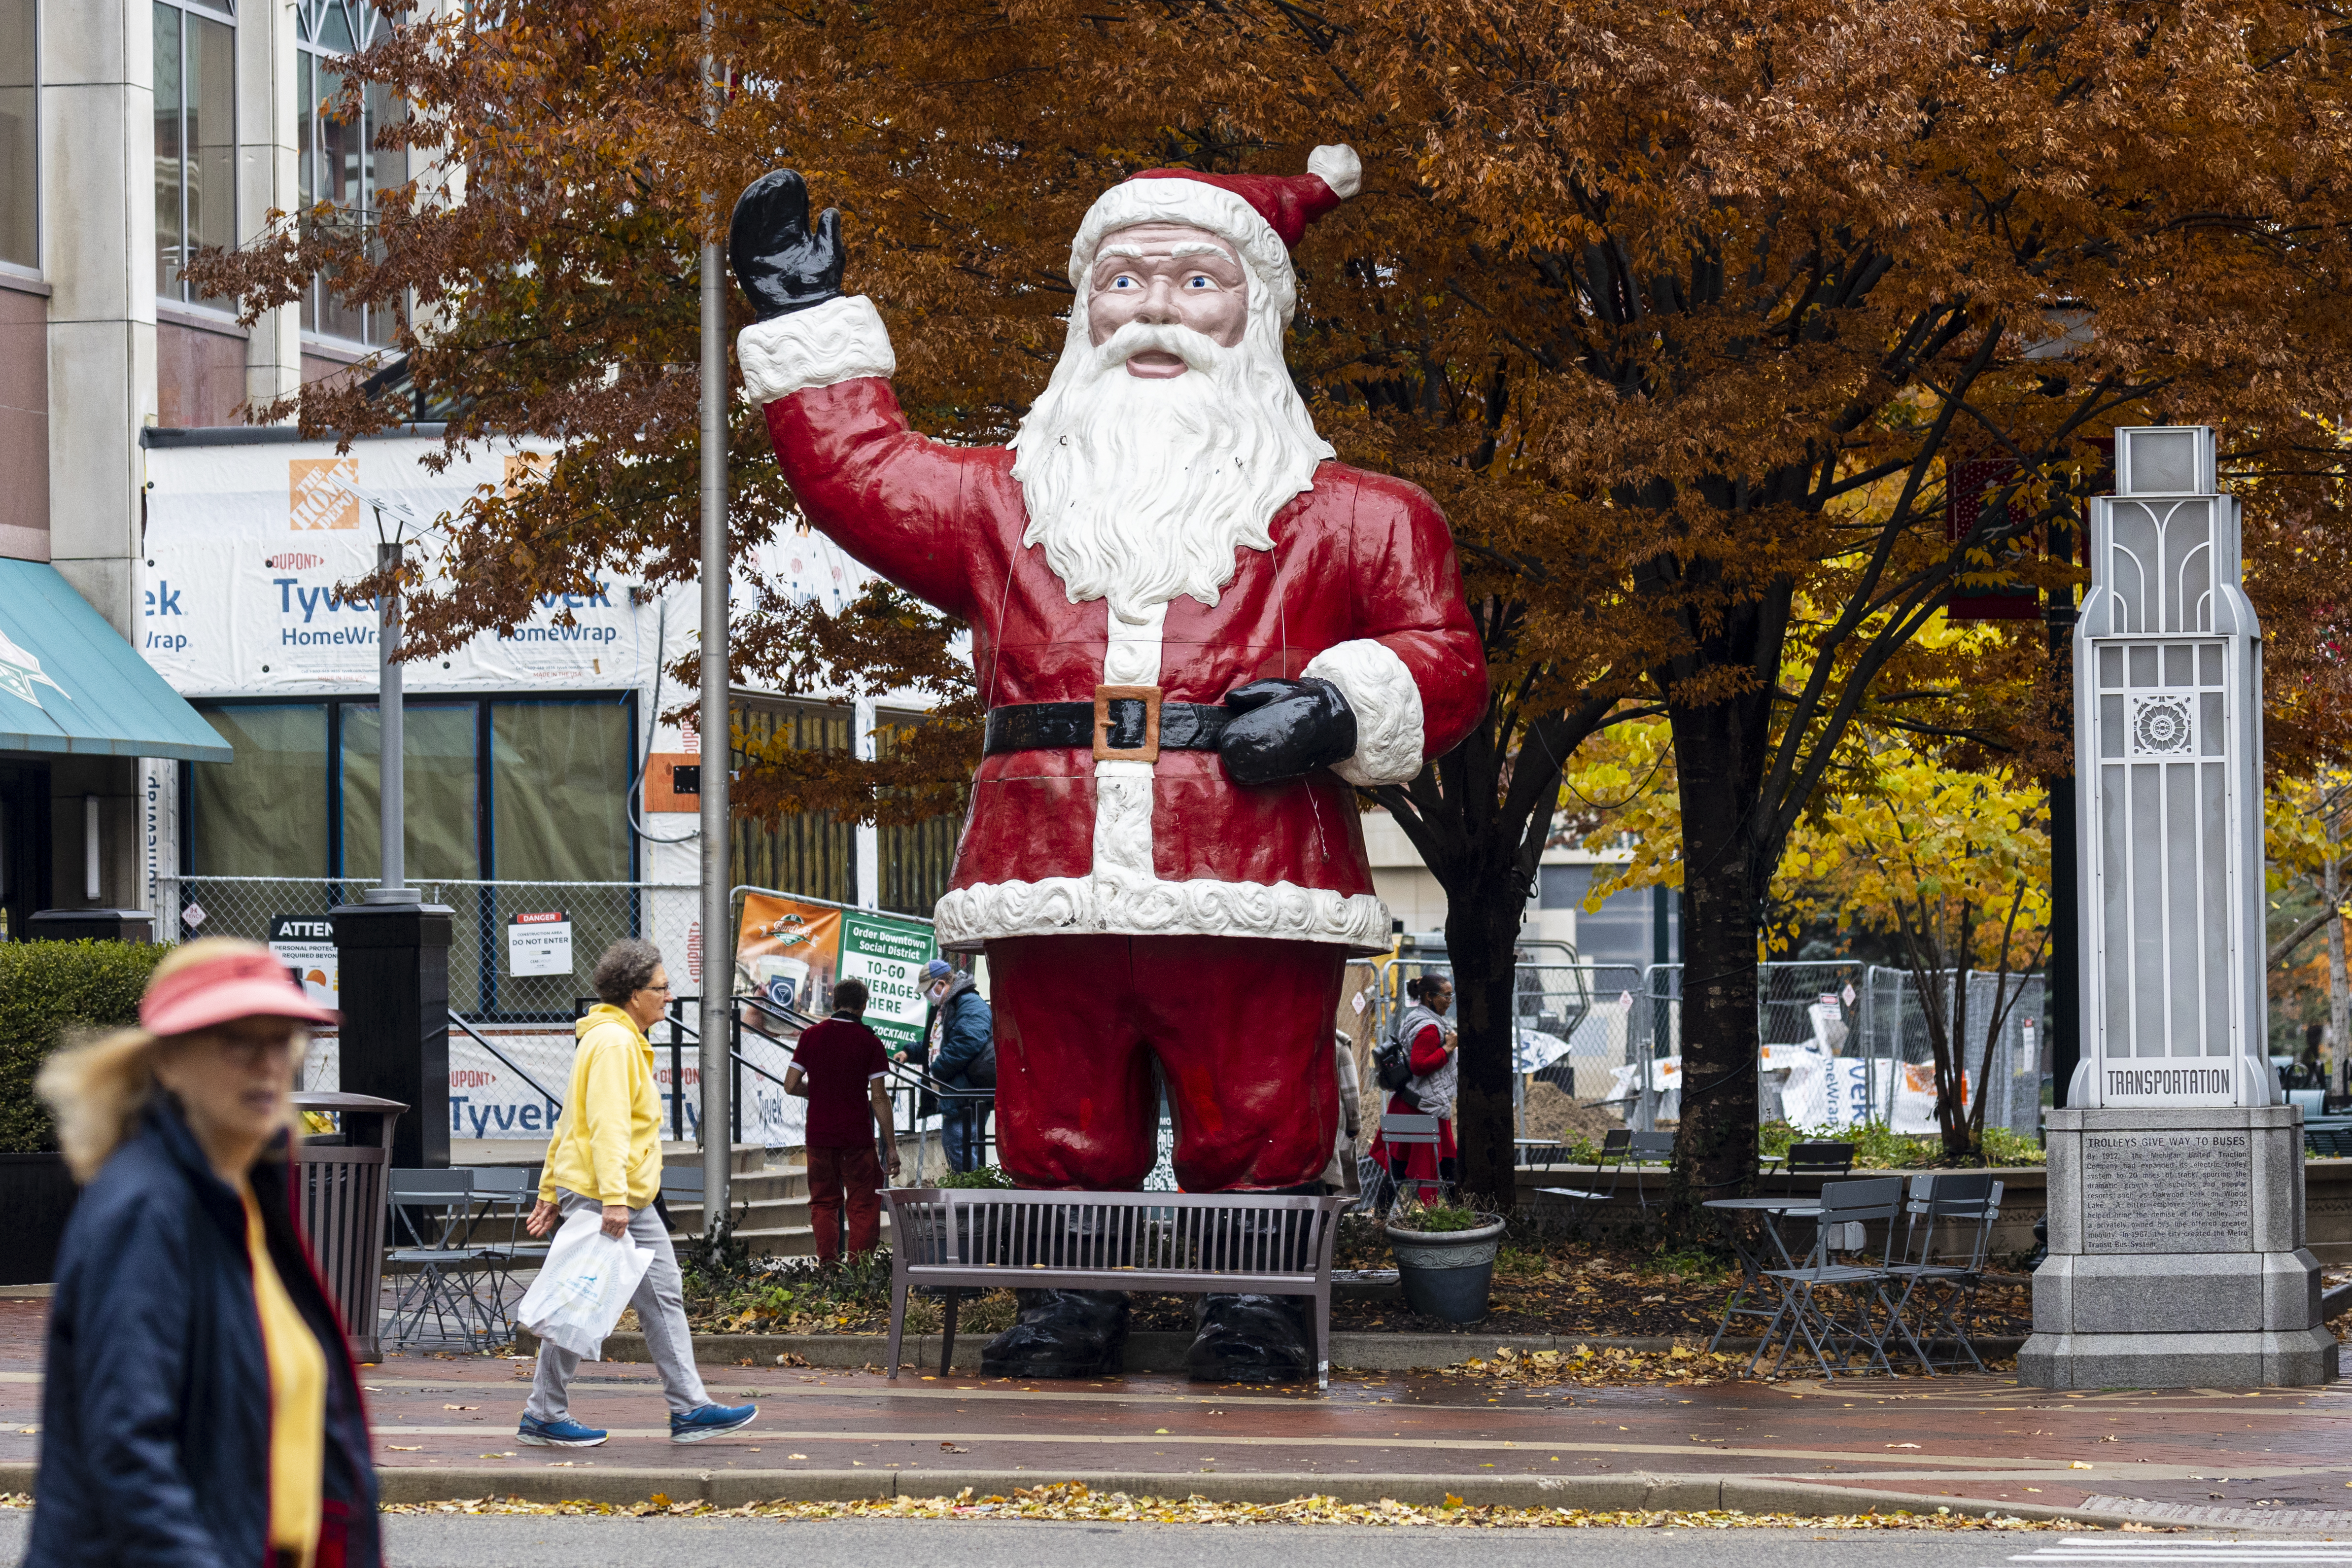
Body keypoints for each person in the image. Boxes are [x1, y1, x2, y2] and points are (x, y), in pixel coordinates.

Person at [729, 145, 1487, 1380]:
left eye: (1196, 282)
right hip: (1049, 865)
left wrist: (1336, 704)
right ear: (1083, 310)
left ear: (1256, 313)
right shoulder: (1002, 505)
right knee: (1057, 1108)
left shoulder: (1362, 514)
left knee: (1253, 1107)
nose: (1154, 311)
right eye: (1124, 281)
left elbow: (1442, 654)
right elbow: (866, 479)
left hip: (1250, 876)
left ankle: (1255, 1305)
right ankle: (1067, 1298)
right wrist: (802, 316)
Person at [28, 938, 380, 1568]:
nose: (268, 1063)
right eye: (236, 1040)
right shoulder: (147, 1207)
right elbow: (128, 1451)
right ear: (166, 1062)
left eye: (282, 1039)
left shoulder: (243, 1195)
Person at [521, 938, 757, 1449]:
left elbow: (569, 1122)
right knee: (583, 1298)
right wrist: (612, 1199)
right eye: (661, 987)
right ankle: (548, 1411)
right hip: (615, 1194)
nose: (669, 996)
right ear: (633, 993)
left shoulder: (610, 1039)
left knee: (629, 1294)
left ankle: (686, 1407)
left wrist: (550, 1189)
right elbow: (605, 1127)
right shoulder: (614, 1044)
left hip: (619, 1193)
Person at [785, 976, 900, 1260]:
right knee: (863, 1205)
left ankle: (828, 1268)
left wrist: (823, 1090)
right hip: (857, 1139)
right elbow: (880, 1099)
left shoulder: (811, 1036)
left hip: (819, 1138)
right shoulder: (870, 1042)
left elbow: (790, 1085)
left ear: (834, 1003)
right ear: (863, 1007)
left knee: (823, 1203)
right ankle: (858, 1271)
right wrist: (893, 1148)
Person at [1371, 972, 1457, 1203]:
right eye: (1446, 996)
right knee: (1447, 1162)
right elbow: (1420, 1066)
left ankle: (1380, 1218)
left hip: (1408, 1102)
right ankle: (1462, 1215)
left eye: (1451, 996)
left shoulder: (1415, 1017)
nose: (1450, 1001)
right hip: (1425, 1106)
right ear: (1429, 997)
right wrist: (1448, 1049)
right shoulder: (1430, 1028)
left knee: (1399, 1165)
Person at [920, 957, 995, 1173]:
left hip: (967, 1092)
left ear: (941, 985)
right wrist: (912, 1051)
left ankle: (972, 1200)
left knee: (959, 1144)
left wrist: (938, 1069)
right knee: (957, 1144)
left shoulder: (968, 1002)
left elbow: (969, 1040)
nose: (927, 997)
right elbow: (941, 1043)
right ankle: (971, 1196)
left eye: (928, 991)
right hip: (963, 1091)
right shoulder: (953, 1004)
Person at [1317, 1026, 1363, 1194]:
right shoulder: (1339, 1045)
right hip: (1333, 1122)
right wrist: (1355, 1123)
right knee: (1333, 1172)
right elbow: (1351, 1090)